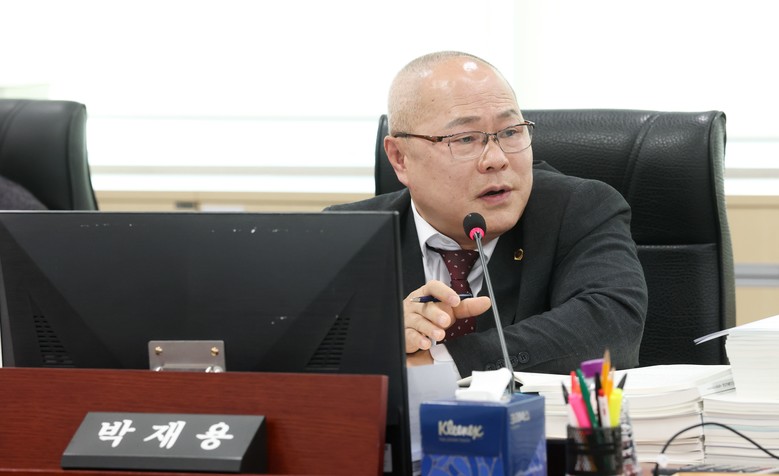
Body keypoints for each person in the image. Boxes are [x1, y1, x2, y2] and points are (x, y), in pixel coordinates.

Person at [327, 51, 647, 377]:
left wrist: (440, 362)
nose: (497, 159)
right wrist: (377, 340)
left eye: (510, 132)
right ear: (400, 158)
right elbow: (305, 351)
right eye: (465, 139)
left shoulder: (580, 209)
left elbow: (613, 326)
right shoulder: (342, 237)